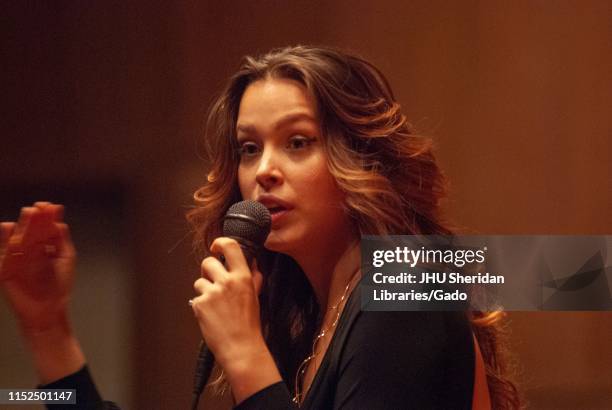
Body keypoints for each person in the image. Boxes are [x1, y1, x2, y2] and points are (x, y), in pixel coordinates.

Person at [0, 45, 520, 409]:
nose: (264, 170)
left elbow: (584, 273)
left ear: (362, 158)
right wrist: (49, 331)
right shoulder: (304, 325)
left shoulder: (403, 290)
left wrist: (245, 355)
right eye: (249, 148)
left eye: (298, 142)